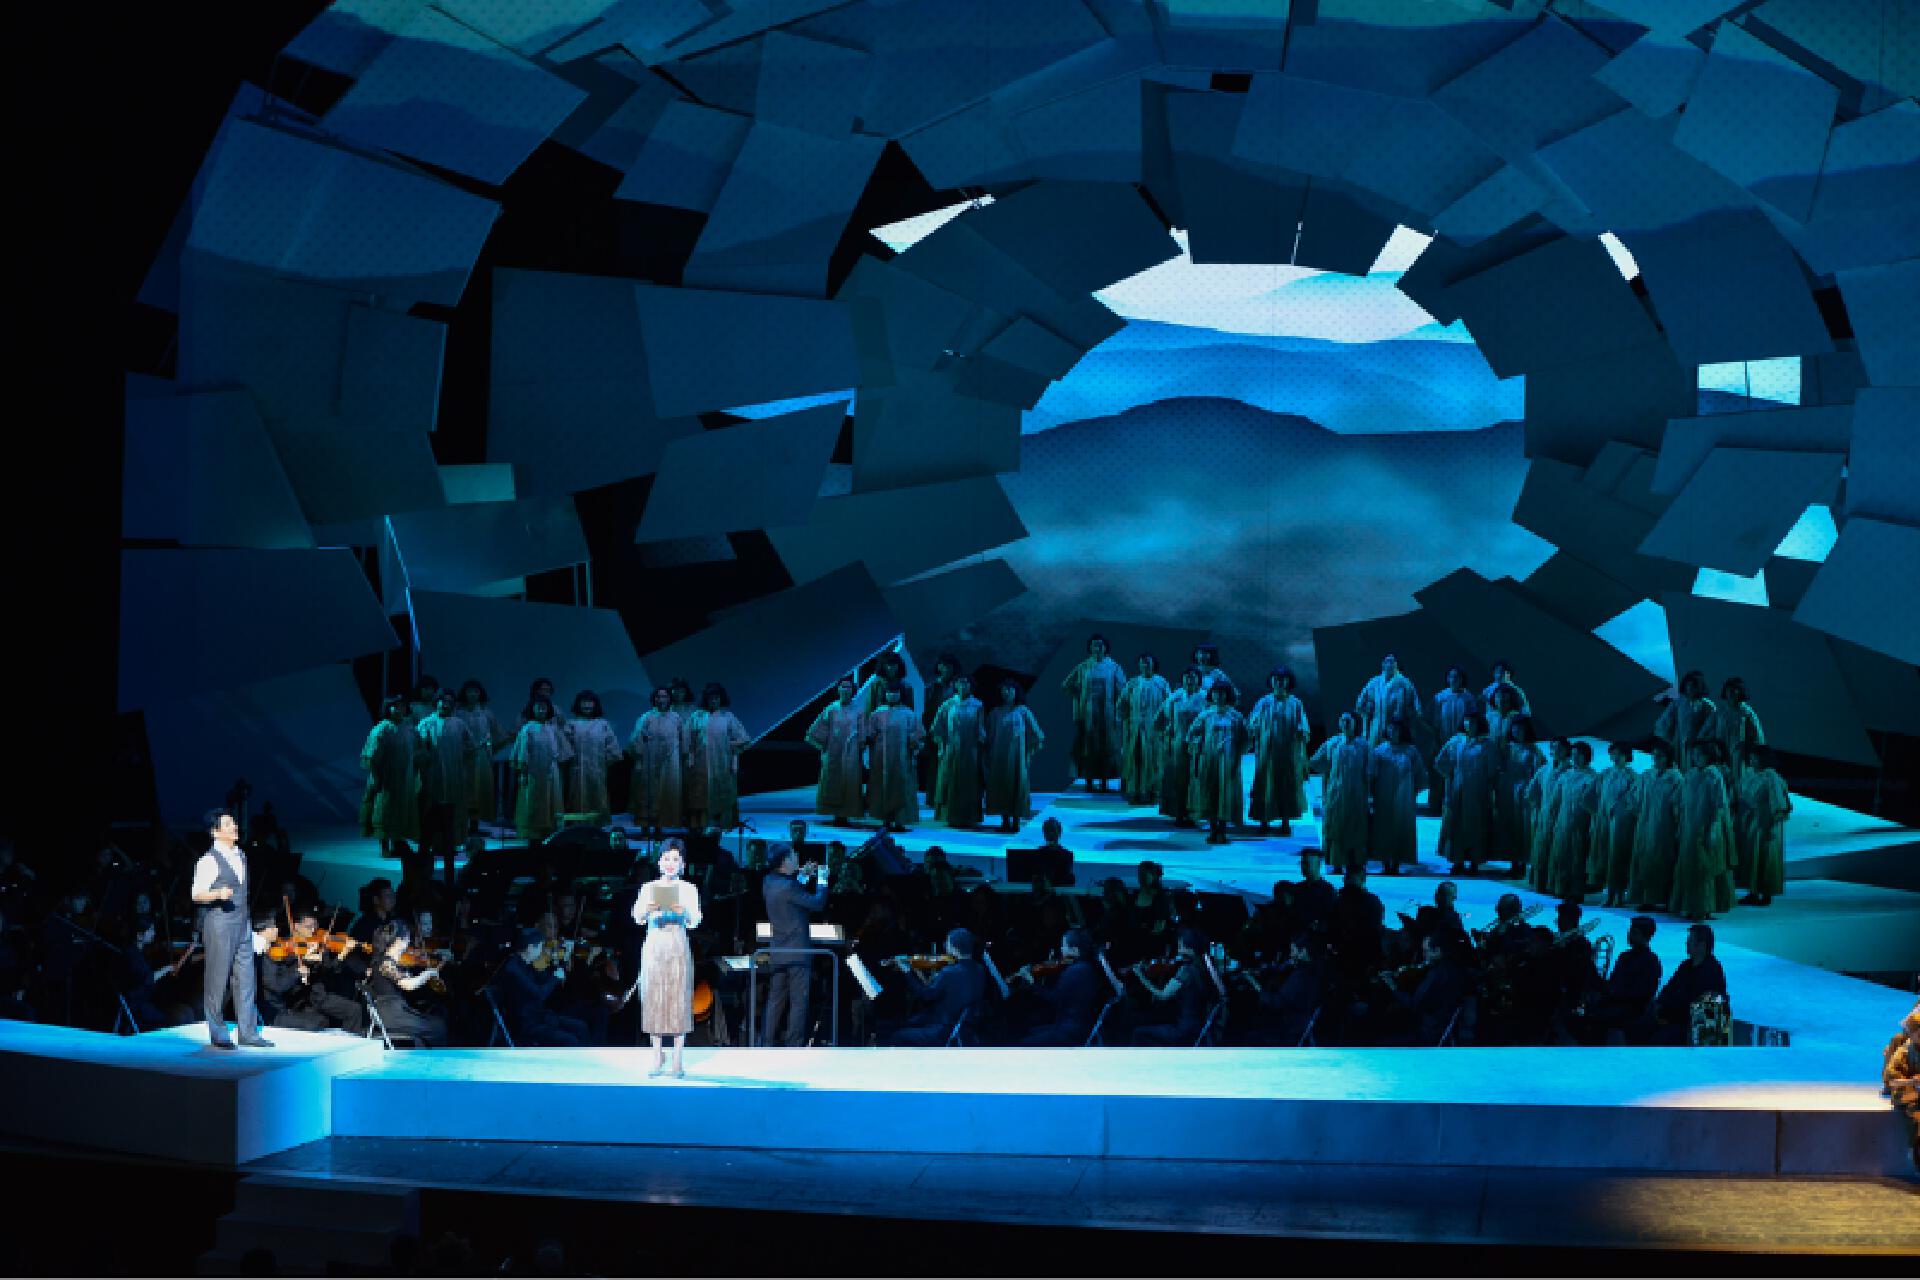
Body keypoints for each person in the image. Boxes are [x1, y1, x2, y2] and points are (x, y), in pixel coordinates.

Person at [191, 809, 268, 1049]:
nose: (234, 826)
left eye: (233, 822)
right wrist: (217, 893)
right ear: (215, 832)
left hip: (242, 923)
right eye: (227, 824)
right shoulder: (208, 860)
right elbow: (196, 894)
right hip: (220, 924)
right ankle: (218, 1031)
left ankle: (248, 1032)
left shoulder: (241, 855)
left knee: (246, 979)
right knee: (217, 979)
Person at [633, 841, 702, 1077]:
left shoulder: (688, 889)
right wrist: (648, 909)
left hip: (677, 945)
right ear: (659, 862)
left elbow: (696, 920)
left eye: (675, 859)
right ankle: (657, 1055)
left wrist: (685, 912)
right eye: (666, 859)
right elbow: (636, 916)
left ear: (682, 864)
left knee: (678, 1000)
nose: (670, 864)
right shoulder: (648, 887)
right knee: (653, 998)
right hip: (654, 946)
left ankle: (677, 1059)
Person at [762, 844, 829, 1047]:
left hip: (778, 951)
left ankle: (765, 1043)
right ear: (784, 862)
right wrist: (822, 880)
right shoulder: (789, 886)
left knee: (775, 1000)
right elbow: (816, 903)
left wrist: (803, 876)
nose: (797, 859)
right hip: (798, 953)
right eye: (793, 857)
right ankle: (793, 1045)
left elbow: (791, 895)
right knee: (799, 1002)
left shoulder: (769, 881)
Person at [885, 928, 990, 1046]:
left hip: (945, 1031)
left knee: (898, 1036)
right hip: (966, 1029)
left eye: (947, 943)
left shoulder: (949, 972)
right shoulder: (980, 970)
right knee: (913, 1022)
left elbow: (926, 996)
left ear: (954, 948)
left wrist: (907, 972)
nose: (945, 945)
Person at [492, 926, 589, 1047]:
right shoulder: (513, 968)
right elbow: (539, 994)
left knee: (581, 1027)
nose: (542, 951)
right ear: (530, 948)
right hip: (525, 1023)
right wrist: (555, 978)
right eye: (540, 947)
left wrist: (555, 964)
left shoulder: (526, 963)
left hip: (538, 1016)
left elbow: (541, 979)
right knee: (570, 1040)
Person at [415, 691, 474, 889]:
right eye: (442, 700)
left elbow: (469, 747)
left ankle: (449, 877)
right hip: (433, 783)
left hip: (454, 784)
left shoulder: (459, 724)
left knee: (450, 828)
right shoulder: (426, 723)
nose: (445, 704)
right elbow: (419, 749)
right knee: (428, 829)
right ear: (436, 702)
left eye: (449, 701)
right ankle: (422, 875)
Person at [1671, 742, 1735, 921]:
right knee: (1690, 867)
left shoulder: (1713, 775)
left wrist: (1713, 829)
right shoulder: (1690, 774)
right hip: (1689, 827)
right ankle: (1690, 905)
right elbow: (1681, 800)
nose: (1695, 758)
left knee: (1704, 868)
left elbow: (1719, 805)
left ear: (1708, 756)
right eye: (1694, 754)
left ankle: (1704, 907)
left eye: (1698, 754)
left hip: (1705, 827)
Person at [1012, 928, 1107, 1046]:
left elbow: (1054, 998)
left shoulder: (1075, 971)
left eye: (1064, 946)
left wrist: (1032, 983)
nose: (1061, 949)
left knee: (1023, 1043)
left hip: (1070, 1032)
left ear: (1075, 950)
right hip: (1075, 1026)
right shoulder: (1086, 967)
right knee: (1030, 1031)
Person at [1575, 915, 1661, 1045]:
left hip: (1632, 1008)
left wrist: (1613, 993)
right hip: (1616, 1001)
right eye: (1630, 931)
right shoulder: (1624, 957)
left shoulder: (1651, 962)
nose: (1629, 935)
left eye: (1634, 932)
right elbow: (1613, 982)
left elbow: (1642, 994)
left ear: (1645, 936)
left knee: (1596, 1017)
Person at [1186, 678, 1251, 845]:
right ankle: (1212, 827)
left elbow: (1245, 739)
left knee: (1225, 793)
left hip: (1228, 762)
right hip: (1209, 760)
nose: (1219, 696)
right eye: (1216, 693)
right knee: (1210, 792)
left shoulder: (1235, 716)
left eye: (1222, 693)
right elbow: (1192, 734)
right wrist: (1197, 749)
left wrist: (1237, 754)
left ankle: (1222, 829)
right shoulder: (1205, 715)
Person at [359, 697, 425, 861]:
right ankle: (384, 845)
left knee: (401, 809)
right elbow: (372, 756)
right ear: (388, 708)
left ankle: (398, 843)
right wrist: (377, 777)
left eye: (401, 706)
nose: (398, 709)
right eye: (395, 706)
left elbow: (418, 749)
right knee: (384, 809)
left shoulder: (409, 728)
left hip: (405, 777)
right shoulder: (382, 729)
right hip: (386, 776)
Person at [362, 922, 446, 1047]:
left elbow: (405, 979)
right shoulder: (386, 963)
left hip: (393, 1011)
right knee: (438, 1028)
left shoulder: (382, 960)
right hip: (392, 1015)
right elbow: (408, 985)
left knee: (436, 1023)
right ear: (399, 941)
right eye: (407, 938)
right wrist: (428, 973)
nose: (409, 941)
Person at [1434, 713, 1498, 874]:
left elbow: (1492, 770)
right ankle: (1458, 861)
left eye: (1473, 722)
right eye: (1467, 721)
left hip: (1478, 792)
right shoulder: (1456, 741)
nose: (1470, 724)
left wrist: (1487, 786)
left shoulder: (1487, 744)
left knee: (1477, 826)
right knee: (1456, 826)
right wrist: (1451, 776)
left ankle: (1475, 862)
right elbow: (1440, 762)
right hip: (1457, 790)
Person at [1248, 668, 1309, 836]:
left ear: (1288, 681)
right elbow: (1253, 721)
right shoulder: (1264, 702)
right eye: (1276, 679)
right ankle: (1264, 819)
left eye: (1283, 679)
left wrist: (1301, 731)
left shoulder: (1295, 703)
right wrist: (1254, 727)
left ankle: (1285, 820)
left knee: (1286, 783)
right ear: (1271, 681)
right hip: (1267, 750)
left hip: (1288, 751)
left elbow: (1302, 723)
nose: (1279, 682)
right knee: (1265, 783)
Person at [1062, 634, 1126, 792]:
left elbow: (1123, 690)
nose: (1097, 648)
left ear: (1105, 647)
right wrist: (1080, 698)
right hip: (1088, 714)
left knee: (1106, 747)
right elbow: (1067, 685)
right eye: (1094, 645)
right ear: (1090, 648)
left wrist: (1119, 711)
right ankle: (1089, 781)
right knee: (1088, 747)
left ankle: (1104, 782)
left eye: (1100, 645)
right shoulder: (1083, 667)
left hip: (1107, 714)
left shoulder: (1114, 667)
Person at [684, 683, 751, 834]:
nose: (713, 701)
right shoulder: (697, 716)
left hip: (723, 763)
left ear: (721, 699)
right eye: (711, 698)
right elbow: (688, 740)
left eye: (716, 698)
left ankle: (724, 827)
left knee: (723, 794)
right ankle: (701, 827)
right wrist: (690, 759)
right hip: (701, 764)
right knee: (701, 795)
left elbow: (744, 739)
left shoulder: (728, 717)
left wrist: (729, 745)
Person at [1646, 923, 1728, 1046]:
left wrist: (1668, 1016)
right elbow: (1668, 990)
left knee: (1658, 1040)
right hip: (1675, 1018)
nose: (1687, 943)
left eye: (1690, 941)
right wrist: (1659, 1007)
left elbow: (1695, 1005)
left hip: (1696, 1027)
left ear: (1701, 945)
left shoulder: (1711, 971)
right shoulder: (1685, 966)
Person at [1309, 712, 1371, 871]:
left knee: (1355, 827)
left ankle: (1354, 862)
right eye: (1343, 720)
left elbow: (1370, 771)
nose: (1345, 723)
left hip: (1357, 794)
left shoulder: (1363, 746)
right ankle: (1336, 862)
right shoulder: (1333, 743)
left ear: (1355, 723)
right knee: (1336, 826)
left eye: (1348, 720)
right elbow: (1315, 762)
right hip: (1336, 792)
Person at [1129, 929, 1212, 1046]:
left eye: (1181, 947)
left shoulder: (1186, 971)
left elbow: (1162, 995)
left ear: (1191, 949)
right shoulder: (1203, 967)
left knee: (1138, 1032)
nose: (1178, 951)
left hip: (1184, 1030)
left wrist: (1140, 975)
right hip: (1197, 1026)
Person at [1627, 742, 1684, 911]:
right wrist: (1638, 813)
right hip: (1645, 824)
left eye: (1660, 756)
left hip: (1665, 826)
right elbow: (1635, 797)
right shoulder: (1647, 776)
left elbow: (1679, 804)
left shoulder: (1675, 778)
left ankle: (1665, 898)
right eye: (1654, 755)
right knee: (1645, 859)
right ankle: (1647, 898)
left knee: (1664, 860)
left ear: (1667, 758)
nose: (1656, 759)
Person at [1367, 719, 1428, 875]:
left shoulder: (1411, 751)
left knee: (1401, 828)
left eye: (1396, 729)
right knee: (1383, 829)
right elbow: (1372, 775)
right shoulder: (1379, 751)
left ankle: (1397, 862)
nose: (1393, 732)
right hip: (1383, 796)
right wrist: (1371, 795)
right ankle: (1385, 863)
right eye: (1391, 729)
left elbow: (1420, 774)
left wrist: (1413, 793)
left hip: (1404, 797)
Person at [985, 679, 1045, 833]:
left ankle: (1016, 821)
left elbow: (1038, 734)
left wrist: (1028, 752)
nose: (1007, 693)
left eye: (1010, 690)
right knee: (1001, 787)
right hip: (999, 757)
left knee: (1017, 787)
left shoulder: (1023, 711)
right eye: (1004, 690)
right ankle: (1004, 820)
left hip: (1017, 758)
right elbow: (989, 737)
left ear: (1016, 692)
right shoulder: (994, 713)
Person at [1543, 741, 1601, 902]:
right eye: (1574, 755)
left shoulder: (1592, 778)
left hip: (1580, 824)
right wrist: (1552, 819)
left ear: (1586, 757)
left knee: (1577, 857)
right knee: (1561, 854)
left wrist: (1593, 825)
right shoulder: (1566, 776)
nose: (1575, 758)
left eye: (1579, 755)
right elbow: (1555, 800)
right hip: (1562, 821)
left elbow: (1595, 804)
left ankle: (1576, 891)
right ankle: (1560, 887)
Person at [863, 682, 925, 832]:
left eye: (896, 692)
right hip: (881, 758)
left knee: (901, 788)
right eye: (889, 692)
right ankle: (885, 820)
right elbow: (869, 735)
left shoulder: (908, 714)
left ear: (901, 694)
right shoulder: (877, 714)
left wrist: (914, 744)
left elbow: (918, 734)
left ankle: (900, 820)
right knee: (882, 787)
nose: (892, 695)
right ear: (885, 694)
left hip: (902, 758)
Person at [805, 677, 866, 827]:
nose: (845, 690)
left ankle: (845, 815)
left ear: (853, 690)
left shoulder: (859, 711)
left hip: (851, 753)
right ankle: (835, 814)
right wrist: (824, 746)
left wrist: (860, 745)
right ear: (838, 689)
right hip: (833, 751)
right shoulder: (831, 709)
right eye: (842, 687)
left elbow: (863, 733)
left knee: (849, 782)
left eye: (848, 687)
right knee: (833, 782)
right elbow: (818, 730)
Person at [1734, 744, 1790, 906]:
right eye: (1751, 757)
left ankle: (1766, 893)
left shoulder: (1771, 777)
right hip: (1751, 821)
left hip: (1765, 821)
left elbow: (1778, 801)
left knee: (1765, 856)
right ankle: (1752, 891)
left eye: (1755, 758)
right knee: (1752, 856)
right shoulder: (1749, 774)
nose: (1752, 760)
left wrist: (1774, 821)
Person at [511, 698, 573, 843]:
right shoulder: (528, 728)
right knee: (533, 800)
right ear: (532, 709)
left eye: (544, 707)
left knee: (552, 800)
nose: (541, 710)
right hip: (533, 771)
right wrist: (523, 771)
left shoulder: (553, 728)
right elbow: (522, 752)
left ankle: (551, 832)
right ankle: (534, 833)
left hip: (551, 771)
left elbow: (564, 750)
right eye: (538, 707)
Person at [627, 688, 687, 837]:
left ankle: (659, 828)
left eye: (665, 696)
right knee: (647, 794)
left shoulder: (676, 718)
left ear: (669, 699)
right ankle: (645, 828)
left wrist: (683, 757)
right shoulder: (646, 717)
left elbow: (683, 739)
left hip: (670, 761)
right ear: (654, 699)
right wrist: (640, 755)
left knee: (665, 793)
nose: (661, 699)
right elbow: (636, 739)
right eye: (658, 696)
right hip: (650, 760)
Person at [931, 673, 988, 829]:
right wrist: (941, 746)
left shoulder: (977, 705)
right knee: (950, 782)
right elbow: (937, 728)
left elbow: (981, 729)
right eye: (960, 683)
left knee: (969, 784)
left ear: (971, 685)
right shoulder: (948, 704)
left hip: (970, 751)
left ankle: (969, 817)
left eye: (966, 683)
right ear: (955, 685)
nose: (963, 686)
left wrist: (981, 746)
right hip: (951, 749)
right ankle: (949, 816)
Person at [1154, 668, 1208, 828]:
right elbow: (1159, 719)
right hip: (1178, 744)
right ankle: (1178, 813)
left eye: (1192, 676)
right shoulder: (1175, 697)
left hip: (1199, 746)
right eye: (1186, 676)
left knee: (1196, 779)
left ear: (1198, 679)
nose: (1189, 679)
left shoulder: (1206, 698)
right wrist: (1165, 736)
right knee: (1178, 779)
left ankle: (1194, 813)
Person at [1590, 743, 1641, 908]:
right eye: (1613, 753)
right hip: (1604, 821)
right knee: (1605, 856)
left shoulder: (1632, 777)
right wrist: (1596, 813)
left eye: (1619, 754)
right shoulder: (1605, 774)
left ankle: (1619, 894)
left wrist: (1622, 809)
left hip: (1622, 823)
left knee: (1619, 858)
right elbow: (1593, 794)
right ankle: (1609, 893)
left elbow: (1634, 800)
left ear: (1626, 756)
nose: (1616, 757)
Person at [1117, 654, 1173, 806]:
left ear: (1153, 664)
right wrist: (1127, 723)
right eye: (1142, 663)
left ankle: (1154, 792)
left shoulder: (1161, 683)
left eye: (1148, 663)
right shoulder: (1133, 683)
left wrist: (1166, 725)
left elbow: (1169, 704)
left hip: (1155, 730)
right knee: (1136, 760)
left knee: (1154, 761)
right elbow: (1122, 704)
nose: (1145, 665)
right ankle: (1135, 791)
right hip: (1136, 728)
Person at [564, 691, 622, 825]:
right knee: (577, 797)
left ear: (595, 705)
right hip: (576, 770)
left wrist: (603, 764)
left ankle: (598, 826)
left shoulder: (603, 724)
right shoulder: (571, 725)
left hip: (597, 770)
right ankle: (577, 826)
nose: (587, 706)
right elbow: (565, 748)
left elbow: (613, 748)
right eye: (584, 702)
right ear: (578, 705)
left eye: (590, 702)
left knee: (597, 797)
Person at [454, 680, 505, 830]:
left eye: (475, 691)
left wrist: (491, 749)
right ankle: (461, 825)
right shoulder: (457, 713)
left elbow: (498, 734)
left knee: (480, 789)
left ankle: (475, 825)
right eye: (469, 691)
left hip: (481, 757)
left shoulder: (486, 713)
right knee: (463, 789)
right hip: (463, 757)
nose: (472, 694)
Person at [1523, 736, 1570, 892]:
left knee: (1558, 851)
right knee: (1542, 850)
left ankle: (1556, 884)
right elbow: (1531, 792)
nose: (1556, 750)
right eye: (1554, 747)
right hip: (1544, 816)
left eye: (1560, 748)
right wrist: (1537, 810)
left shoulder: (1570, 771)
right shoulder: (1544, 770)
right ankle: (1541, 883)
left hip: (1562, 817)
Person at [1882, 1003, 1920, 1174]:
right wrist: (1912, 1082)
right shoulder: (1905, 1051)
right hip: (1909, 1093)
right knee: (1916, 1115)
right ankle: (1915, 1152)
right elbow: (1892, 1079)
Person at [1710, 677, 1765, 791]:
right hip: (1721, 751)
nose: (1730, 693)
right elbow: (1708, 729)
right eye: (1728, 690)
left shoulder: (1747, 712)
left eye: (1734, 690)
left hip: (1739, 753)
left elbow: (1757, 736)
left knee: (1739, 780)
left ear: (1740, 691)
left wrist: (1751, 750)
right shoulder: (1720, 711)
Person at [1356, 653, 1421, 748]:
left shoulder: (1405, 683)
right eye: (1386, 661)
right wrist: (1367, 717)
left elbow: (1416, 710)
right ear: (1383, 664)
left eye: (1392, 661)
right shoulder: (1374, 682)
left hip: (1397, 730)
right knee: (1374, 752)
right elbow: (1360, 704)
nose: (1389, 664)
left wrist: (1408, 724)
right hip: (1376, 728)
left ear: (1396, 664)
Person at [1656, 672, 1716, 772]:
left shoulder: (1707, 705)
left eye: (1693, 686)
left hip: (1699, 742)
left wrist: (1700, 739)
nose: (1690, 689)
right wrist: (1668, 739)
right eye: (1688, 686)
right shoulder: (1678, 703)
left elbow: (1710, 725)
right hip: (1680, 742)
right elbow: (1665, 721)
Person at [920, 653, 961, 797]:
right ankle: (933, 797)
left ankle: (950, 796)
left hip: (955, 729)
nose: (946, 669)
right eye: (943, 665)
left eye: (949, 666)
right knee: (934, 764)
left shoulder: (958, 686)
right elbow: (927, 711)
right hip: (935, 729)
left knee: (953, 763)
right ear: (938, 667)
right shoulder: (931, 687)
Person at [855, 648, 909, 717]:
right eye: (888, 665)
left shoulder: (906, 687)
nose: (891, 668)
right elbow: (869, 712)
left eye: (894, 665)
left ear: (899, 666)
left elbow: (911, 713)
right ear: (883, 666)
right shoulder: (875, 687)